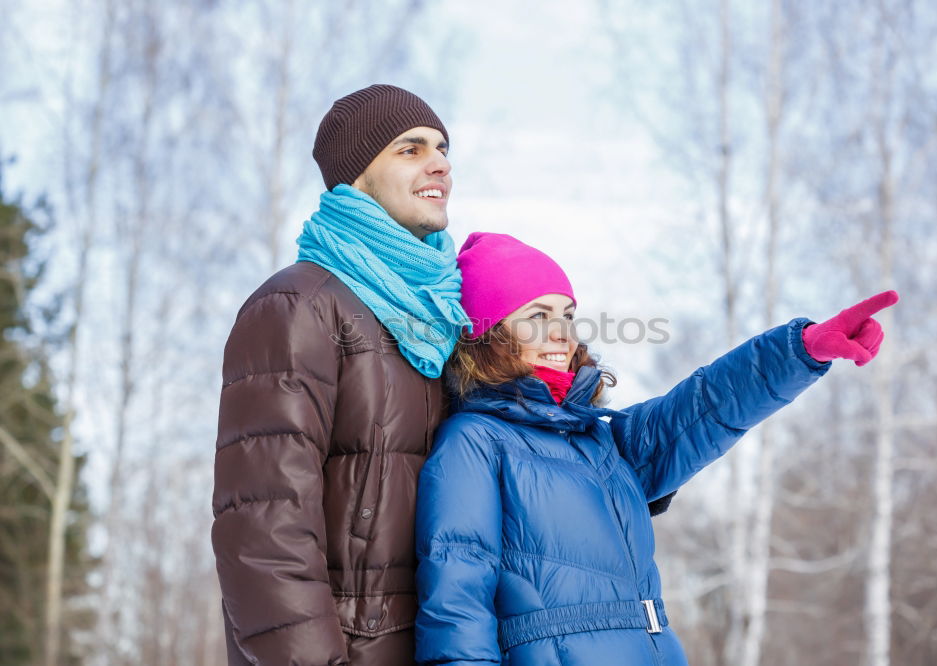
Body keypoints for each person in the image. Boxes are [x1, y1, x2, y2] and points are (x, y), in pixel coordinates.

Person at [414, 232, 897, 665]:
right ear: (488, 332)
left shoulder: (597, 441)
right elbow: (456, 602)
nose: (561, 333)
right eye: (537, 317)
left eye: (566, 314)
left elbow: (703, 408)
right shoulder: (474, 442)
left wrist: (802, 349)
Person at [212, 84, 470, 666]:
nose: (441, 164)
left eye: (443, 148)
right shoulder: (299, 306)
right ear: (356, 176)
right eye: (411, 149)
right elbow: (264, 529)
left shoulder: (446, 316)